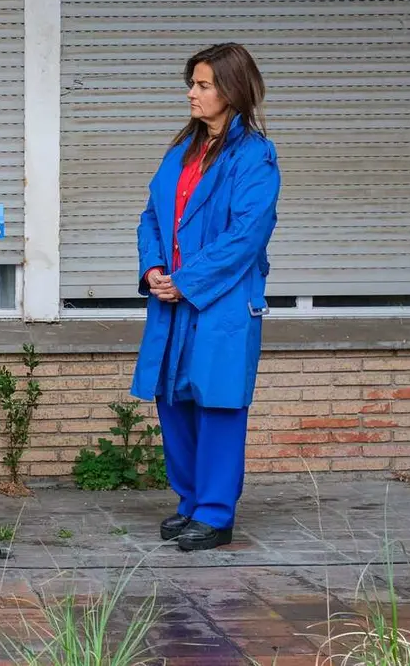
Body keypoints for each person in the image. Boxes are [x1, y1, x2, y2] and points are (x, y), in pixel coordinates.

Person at [131, 43, 281, 552]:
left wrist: (186, 280)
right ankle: (190, 501)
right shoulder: (182, 152)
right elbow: (151, 216)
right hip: (172, 300)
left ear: (231, 89)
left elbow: (247, 234)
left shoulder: (254, 156)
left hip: (220, 302)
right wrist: (153, 268)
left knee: (217, 404)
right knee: (173, 399)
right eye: (192, 83)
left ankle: (216, 514)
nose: (192, 93)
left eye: (203, 84)